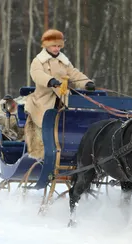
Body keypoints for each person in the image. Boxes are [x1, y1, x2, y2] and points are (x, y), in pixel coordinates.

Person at [24, 28, 95, 160]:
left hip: (63, 99)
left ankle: (71, 151)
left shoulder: (64, 61)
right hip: (43, 100)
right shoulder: (38, 61)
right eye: (53, 46)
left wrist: (86, 82)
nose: (56, 49)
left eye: (58, 46)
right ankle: (42, 154)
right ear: (46, 45)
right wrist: (50, 80)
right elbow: (37, 74)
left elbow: (74, 73)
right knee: (42, 123)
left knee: (72, 123)